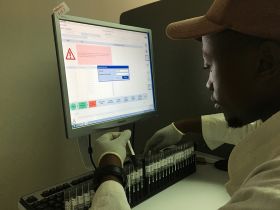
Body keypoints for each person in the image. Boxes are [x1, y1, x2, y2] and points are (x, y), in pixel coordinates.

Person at [90, 0, 280, 209]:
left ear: (265, 63)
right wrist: (182, 126)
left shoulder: (272, 190)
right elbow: (255, 132)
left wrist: (109, 169)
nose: (208, 83)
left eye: (209, 66)